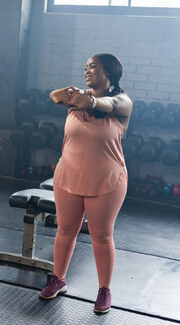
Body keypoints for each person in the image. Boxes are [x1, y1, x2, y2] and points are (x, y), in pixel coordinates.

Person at [40, 53, 133, 314]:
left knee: (101, 236)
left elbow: (110, 104)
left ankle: (104, 290)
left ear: (110, 73)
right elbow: (53, 96)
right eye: (85, 67)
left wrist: (88, 100)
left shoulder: (122, 101)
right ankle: (58, 279)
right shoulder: (78, 98)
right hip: (68, 175)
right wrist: (68, 95)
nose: (87, 72)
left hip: (107, 180)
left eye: (93, 67)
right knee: (65, 229)